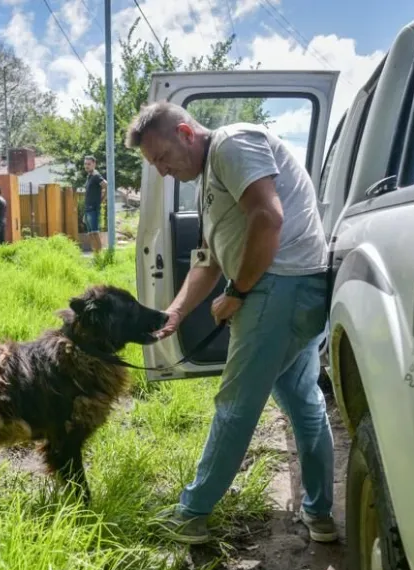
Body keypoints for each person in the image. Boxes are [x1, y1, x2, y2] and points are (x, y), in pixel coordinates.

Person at [124, 100, 336, 545]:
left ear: (185, 132)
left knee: (235, 406)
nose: (162, 171)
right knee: (303, 401)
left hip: (280, 286)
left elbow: (268, 216)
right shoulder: (209, 182)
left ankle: (191, 513)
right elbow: (208, 261)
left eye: (162, 158)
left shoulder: (232, 144)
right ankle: (319, 514)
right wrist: (176, 312)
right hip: (290, 287)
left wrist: (238, 292)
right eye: (154, 165)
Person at [81, 155, 107, 254]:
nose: (86, 166)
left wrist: (102, 199)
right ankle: (96, 256)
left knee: (95, 233)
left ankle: (100, 256)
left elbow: (106, 185)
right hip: (88, 210)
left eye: (89, 164)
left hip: (93, 209)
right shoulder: (89, 176)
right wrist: (85, 213)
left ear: (94, 164)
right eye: (85, 164)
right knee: (90, 234)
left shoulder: (96, 175)